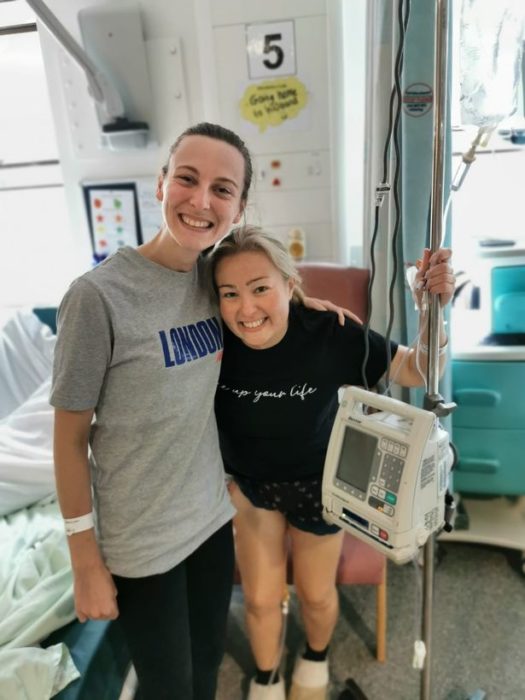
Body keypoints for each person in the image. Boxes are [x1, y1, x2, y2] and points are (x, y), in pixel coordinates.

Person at [50, 122, 352, 700]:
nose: (201, 200)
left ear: (237, 208)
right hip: (141, 540)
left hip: (211, 520)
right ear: (161, 184)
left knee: (208, 662)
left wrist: (302, 304)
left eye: (222, 189)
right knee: (170, 687)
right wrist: (85, 561)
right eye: (187, 180)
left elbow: (263, 300)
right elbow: (68, 440)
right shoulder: (98, 299)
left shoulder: (215, 280)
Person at [208, 226, 455, 700]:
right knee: (259, 598)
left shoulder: (330, 332)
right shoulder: (214, 340)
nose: (246, 308)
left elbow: (416, 369)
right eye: (229, 294)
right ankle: (266, 677)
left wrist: (430, 314)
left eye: (261, 288)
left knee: (316, 593)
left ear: (289, 284)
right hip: (252, 487)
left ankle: (315, 658)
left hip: (322, 487)